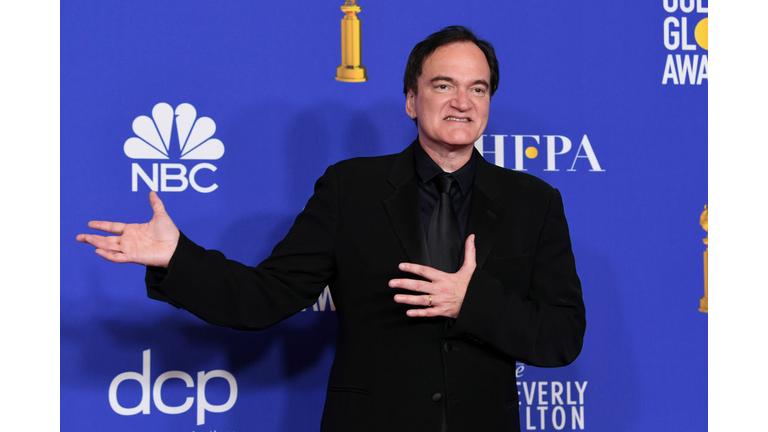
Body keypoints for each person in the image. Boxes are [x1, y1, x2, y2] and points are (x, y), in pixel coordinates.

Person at [78, 25, 585, 432]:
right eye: (443, 85)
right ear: (412, 100)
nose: (462, 102)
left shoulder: (533, 202)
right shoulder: (352, 189)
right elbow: (267, 296)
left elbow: (562, 338)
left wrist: (469, 302)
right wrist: (176, 256)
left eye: (478, 88)